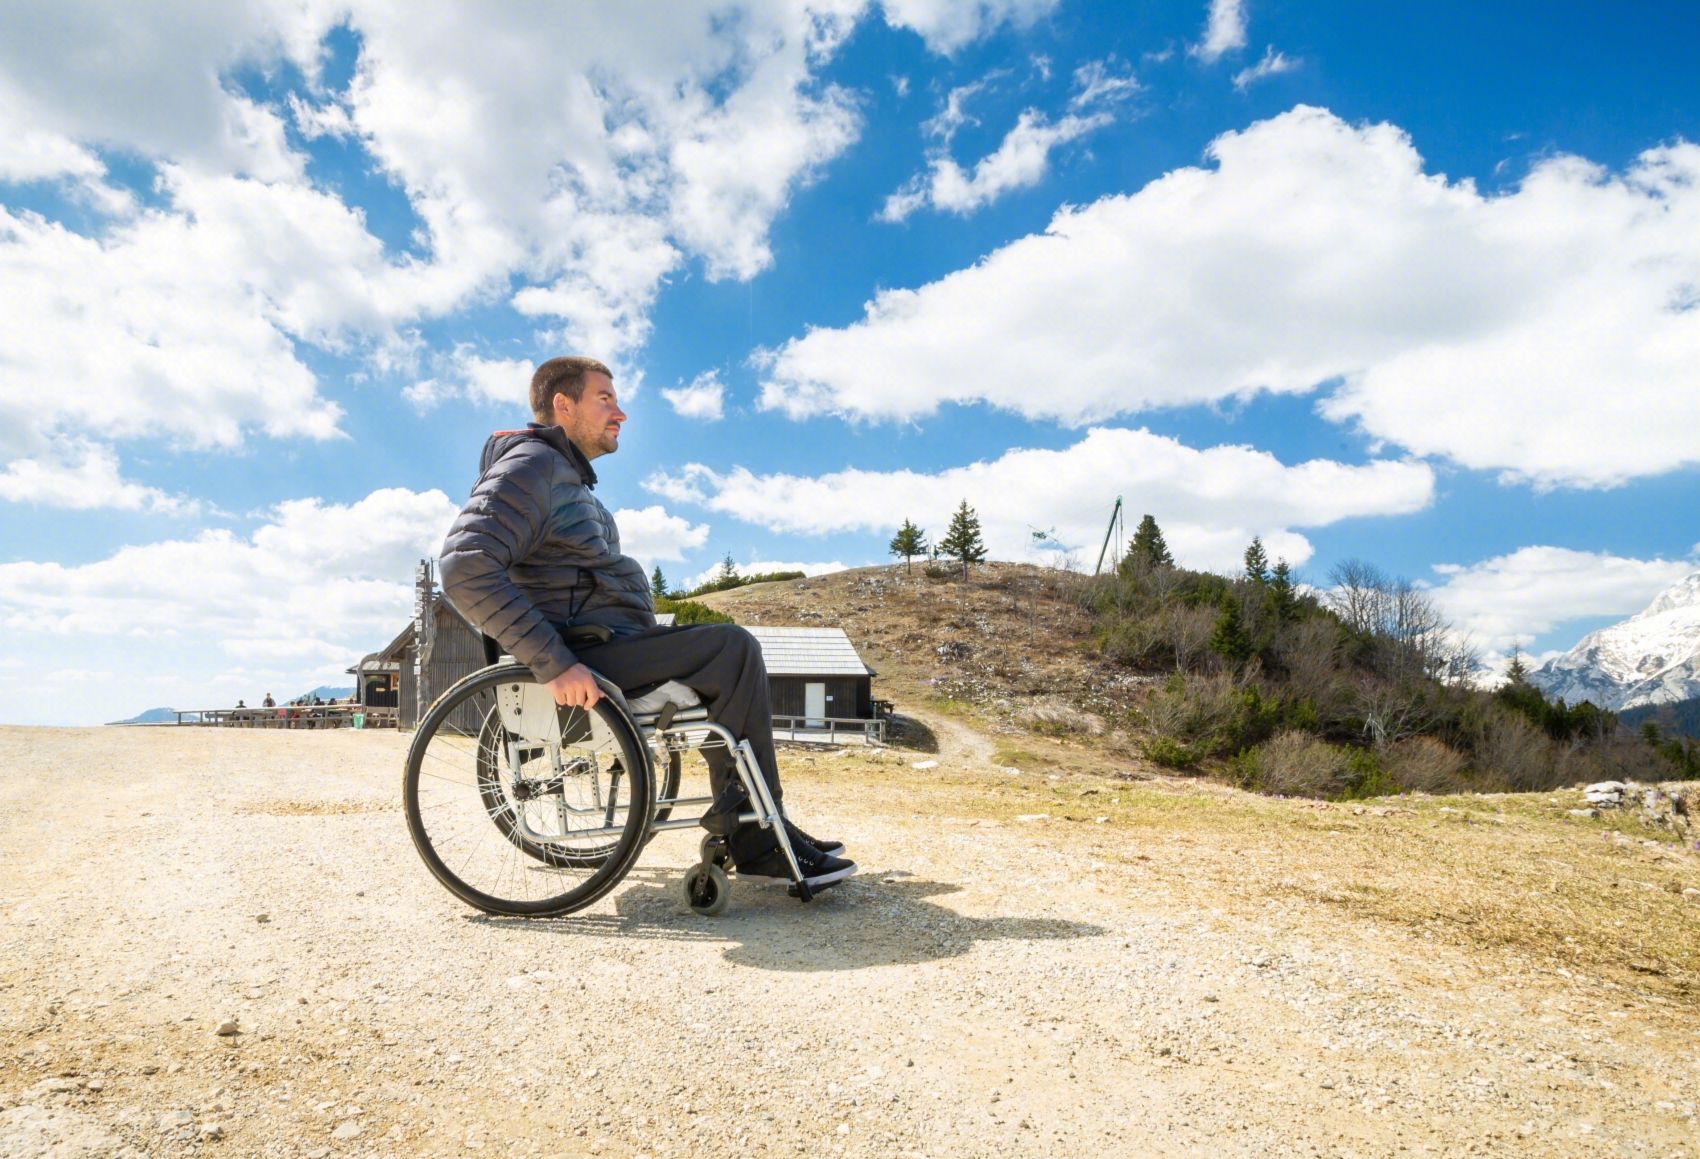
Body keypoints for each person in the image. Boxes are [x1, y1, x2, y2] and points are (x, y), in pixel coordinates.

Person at [439, 356, 855, 892]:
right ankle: (755, 834)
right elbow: (465, 565)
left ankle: (759, 823)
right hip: (584, 657)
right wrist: (554, 662)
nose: (621, 413)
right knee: (731, 649)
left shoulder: (566, 479)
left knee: (726, 656)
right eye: (605, 399)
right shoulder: (532, 466)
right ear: (562, 406)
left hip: (606, 644)